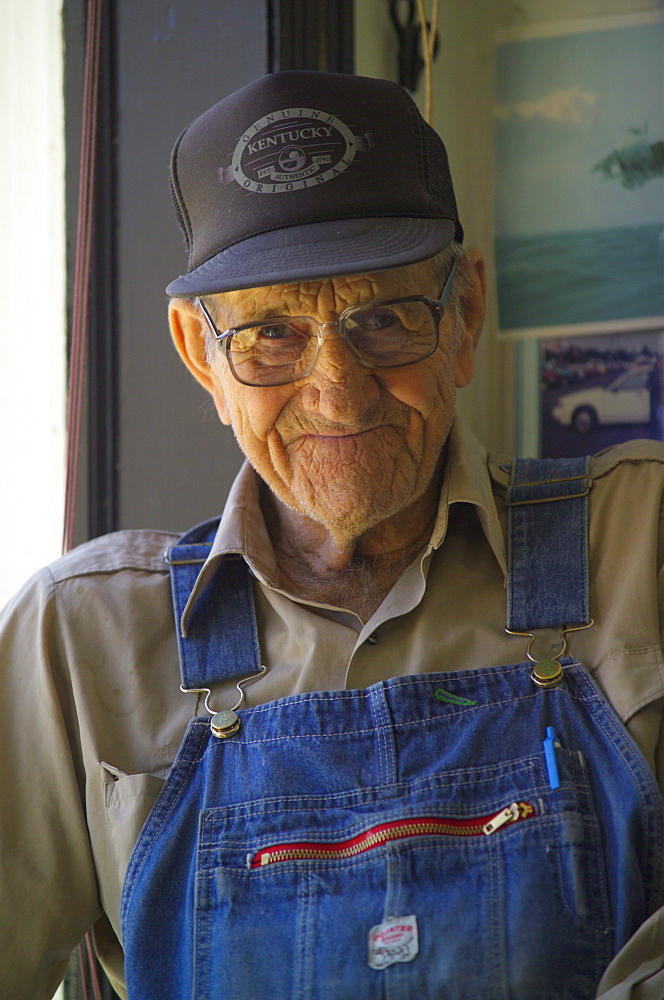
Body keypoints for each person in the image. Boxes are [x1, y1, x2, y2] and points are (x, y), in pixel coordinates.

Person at [1, 71, 662, 1000]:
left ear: (465, 315)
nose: (338, 393)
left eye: (385, 320)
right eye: (272, 336)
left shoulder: (641, 549)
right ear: (202, 357)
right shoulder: (77, 640)